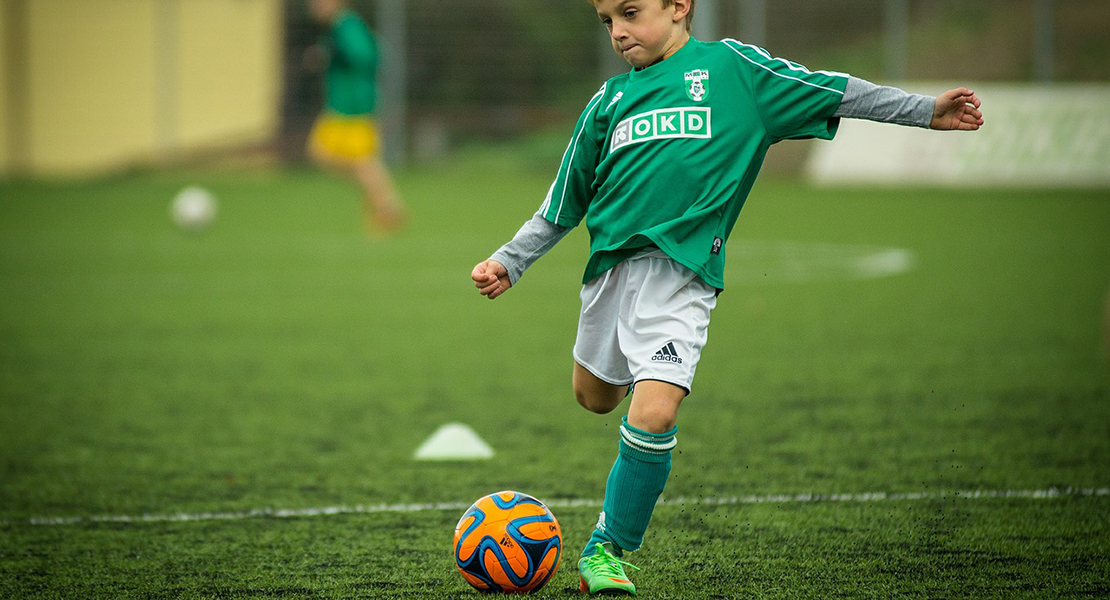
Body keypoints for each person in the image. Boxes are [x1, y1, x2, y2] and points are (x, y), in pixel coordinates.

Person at [470, 0, 983, 595]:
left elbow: (834, 90)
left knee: (655, 411)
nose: (618, 32)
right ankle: (626, 411)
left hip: (682, 277)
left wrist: (925, 111)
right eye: (607, 21)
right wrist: (511, 258)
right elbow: (564, 201)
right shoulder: (607, 103)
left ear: (680, 7)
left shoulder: (736, 71)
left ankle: (606, 550)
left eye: (631, 13)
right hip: (609, 275)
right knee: (594, 399)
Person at [306, 0, 405, 234]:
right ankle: (383, 201)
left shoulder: (346, 25)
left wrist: (332, 53)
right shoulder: (338, 27)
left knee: (357, 161)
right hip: (342, 105)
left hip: (352, 106)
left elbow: (367, 54)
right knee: (329, 157)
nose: (315, 5)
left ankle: (386, 205)